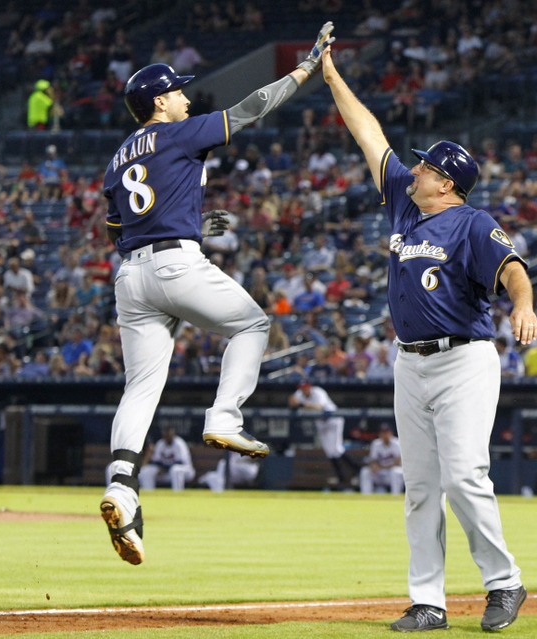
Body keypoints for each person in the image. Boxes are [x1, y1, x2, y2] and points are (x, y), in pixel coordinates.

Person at [99, 23, 335, 566]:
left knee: (141, 386)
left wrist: (194, 220)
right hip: (176, 264)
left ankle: (121, 484)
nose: (185, 94)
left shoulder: (115, 159)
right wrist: (303, 69)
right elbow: (250, 108)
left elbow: (118, 231)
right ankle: (224, 416)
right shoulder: (179, 132)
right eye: (177, 90)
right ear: (159, 102)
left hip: (131, 276)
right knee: (253, 325)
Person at [322, 45, 535, 633]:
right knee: (419, 487)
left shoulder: (471, 221)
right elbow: (368, 134)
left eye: (424, 167)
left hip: (464, 360)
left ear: (445, 181)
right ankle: (428, 602)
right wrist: (332, 75)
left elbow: (513, 267)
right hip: (408, 363)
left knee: (464, 474)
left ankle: (504, 583)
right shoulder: (403, 209)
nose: (411, 170)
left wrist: (524, 304)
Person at [288, 381, 360, 486]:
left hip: (333, 419)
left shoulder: (318, 392)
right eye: (302, 388)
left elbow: (319, 407)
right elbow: (291, 402)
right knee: (329, 451)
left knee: (336, 449)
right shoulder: (299, 393)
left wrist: (301, 404)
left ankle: (357, 471)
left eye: (306, 388)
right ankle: (341, 477)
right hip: (320, 422)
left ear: (310, 387)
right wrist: (292, 399)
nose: (304, 390)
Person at [137, 426, 195, 491]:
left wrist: (163, 468)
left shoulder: (179, 443)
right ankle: (148, 494)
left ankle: (178, 495)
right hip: (166, 472)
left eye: (169, 435)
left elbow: (180, 462)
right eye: (165, 435)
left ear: (173, 435)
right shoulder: (160, 443)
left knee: (175, 470)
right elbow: (156, 461)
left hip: (185, 471)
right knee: (146, 471)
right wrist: (160, 468)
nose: (167, 437)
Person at [360, 424, 404, 495]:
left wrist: (382, 467)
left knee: (395, 472)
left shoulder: (397, 443)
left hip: (391, 472)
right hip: (380, 472)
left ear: (391, 433)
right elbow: (373, 459)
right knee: (365, 471)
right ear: (379, 434)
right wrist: (374, 465)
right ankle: (366, 496)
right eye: (383, 433)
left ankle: (396, 496)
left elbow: (397, 462)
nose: (385, 435)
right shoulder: (376, 444)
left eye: (386, 432)